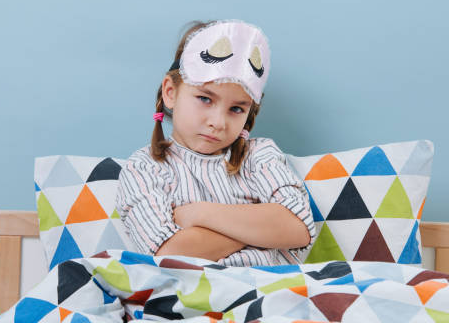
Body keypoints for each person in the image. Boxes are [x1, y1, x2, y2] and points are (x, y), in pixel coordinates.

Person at [115, 20, 315, 266]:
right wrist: (262, 231)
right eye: (205, 99)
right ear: (170, 92)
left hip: (271, 291)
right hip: (192, 299)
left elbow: (297, 226)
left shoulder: (259, 155)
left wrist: (200, 214)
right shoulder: (145, 167)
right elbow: (170, 254)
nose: (218, 122)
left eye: (236, 108)